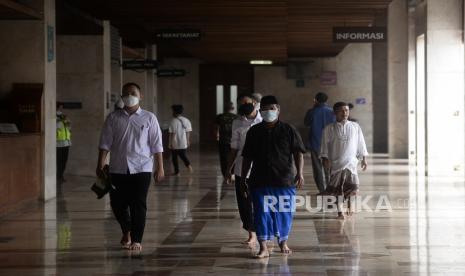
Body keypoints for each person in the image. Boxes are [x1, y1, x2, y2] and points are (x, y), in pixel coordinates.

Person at [96, 82, 165, 251]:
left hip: (142, 168)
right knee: (117, 203)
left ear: (141, 96)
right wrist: (100, 163)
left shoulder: (149, 118)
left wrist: (160, 167)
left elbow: (157, 145)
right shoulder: (113, 118)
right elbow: (105, 143)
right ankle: (126, 230)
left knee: (138, 204)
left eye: (133, 93)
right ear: (121, 97)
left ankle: (136, 239)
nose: (129, 96)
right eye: (125, 93)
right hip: (117, 168)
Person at [241, 95, 305, 258]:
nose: (268, 111)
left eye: (272, 108)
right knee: (262, 213)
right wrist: (243, 179)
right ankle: (263, 247)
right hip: (259, 179)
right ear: (260, 111)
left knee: (284, 212)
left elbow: (298, 153)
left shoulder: (289, 130)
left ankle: (283, 242)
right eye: (265, 109)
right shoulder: (254, 132)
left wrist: (300, 173)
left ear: (278, 110)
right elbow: (247, 157)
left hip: (283, 179)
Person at [320, 102, 368, 219]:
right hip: (336, 164)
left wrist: (364, 159)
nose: (344, 113)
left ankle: (350, 205)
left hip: (351, 164)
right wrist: (325, 158)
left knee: (353, 187)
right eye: (341, 111)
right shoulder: (329, 128)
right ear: (335, 113)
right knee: (337, 190)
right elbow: (324, 145)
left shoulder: (355, 126)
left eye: (346, 110)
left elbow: (361, 143)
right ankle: (340, 212)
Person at [225, 94, 262, 246]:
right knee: (244, 203)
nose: (244, 105)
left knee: (261, 201)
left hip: (261, 168)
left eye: (246, 102)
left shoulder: (264, 120)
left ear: (254, 103)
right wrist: (229, 169)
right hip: (242, 169)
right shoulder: (237, 123)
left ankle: (265, 231)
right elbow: (234, 148)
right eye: (241, 103)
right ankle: (251, 233)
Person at [303, 92, 335, 194]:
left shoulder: (312, 111)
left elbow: (306, 123)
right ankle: (331, 189)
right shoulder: (332, 112)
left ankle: (322, 190)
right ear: (326, 100)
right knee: (329, 168)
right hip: (330, 144)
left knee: (317, 169)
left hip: (315, 143)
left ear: (315, 100)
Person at [215, 102, 239, 177]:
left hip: (223, 140)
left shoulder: (220, 117)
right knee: (234, 156)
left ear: (224, 108)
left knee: (224, 157)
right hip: (234, 140)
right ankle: (232, 173)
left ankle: (225, 173)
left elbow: (216, 128)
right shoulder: (236, 117)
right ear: (233, 108)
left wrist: (217, 135)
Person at [169, 104, 193, 176]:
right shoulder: (186, 120)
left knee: (174, 158)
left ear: (174, 111)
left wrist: (171, 143)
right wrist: (188, 140)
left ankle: (178, 172)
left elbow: (172, 133)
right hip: (184, 142)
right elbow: (188, 131)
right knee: (183, 155)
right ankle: (187, 166)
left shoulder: (173, 121)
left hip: (175, 143)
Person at [56, 103, 72, 183]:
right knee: (58, 161)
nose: (61, 109)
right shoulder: (54, 116)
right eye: (60, 107)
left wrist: (67, 123)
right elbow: (55, 126)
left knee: (64, 160)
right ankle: (57, 176)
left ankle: (61, 175)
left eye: (62, 107)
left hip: (66, 142)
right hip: (58, 142)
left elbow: (69, 126)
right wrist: (59, 121)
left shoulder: (64, 116)